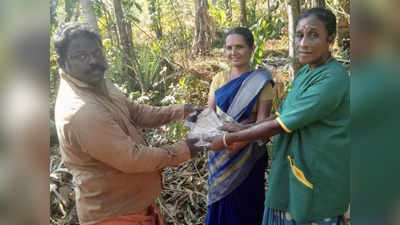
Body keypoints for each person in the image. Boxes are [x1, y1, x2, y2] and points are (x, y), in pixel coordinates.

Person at [207, 8, 349, 225]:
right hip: (289, 168)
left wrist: (229, 138)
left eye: (313, 35)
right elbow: (280, 114)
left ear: (330, 38)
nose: (303, 43)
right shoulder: (305, 72)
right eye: (300, 35)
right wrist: (240, 130)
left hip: (315, 171)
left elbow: (280, 124)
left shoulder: (332, 79)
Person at [52, 22, 203, 225]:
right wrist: (185, 149)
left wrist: (181, 111)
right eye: (81, 56)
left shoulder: (97, 82)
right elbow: (132, 159)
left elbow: (136, 112)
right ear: (63, 62)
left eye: (97, 52)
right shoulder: (81, 111)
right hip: (114, 215)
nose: (93, 61)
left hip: (134, 204)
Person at [206, 27, 275, 225]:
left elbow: (263, 126)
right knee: (221, 202)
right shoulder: (218, 79)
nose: (233, 52)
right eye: (229, 48)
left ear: (252, 49)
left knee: (246, 207)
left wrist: (236, 140)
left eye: (239, 47)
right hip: (220, 154)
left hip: (248, 158)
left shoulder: (262, 82)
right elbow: (208, 116)